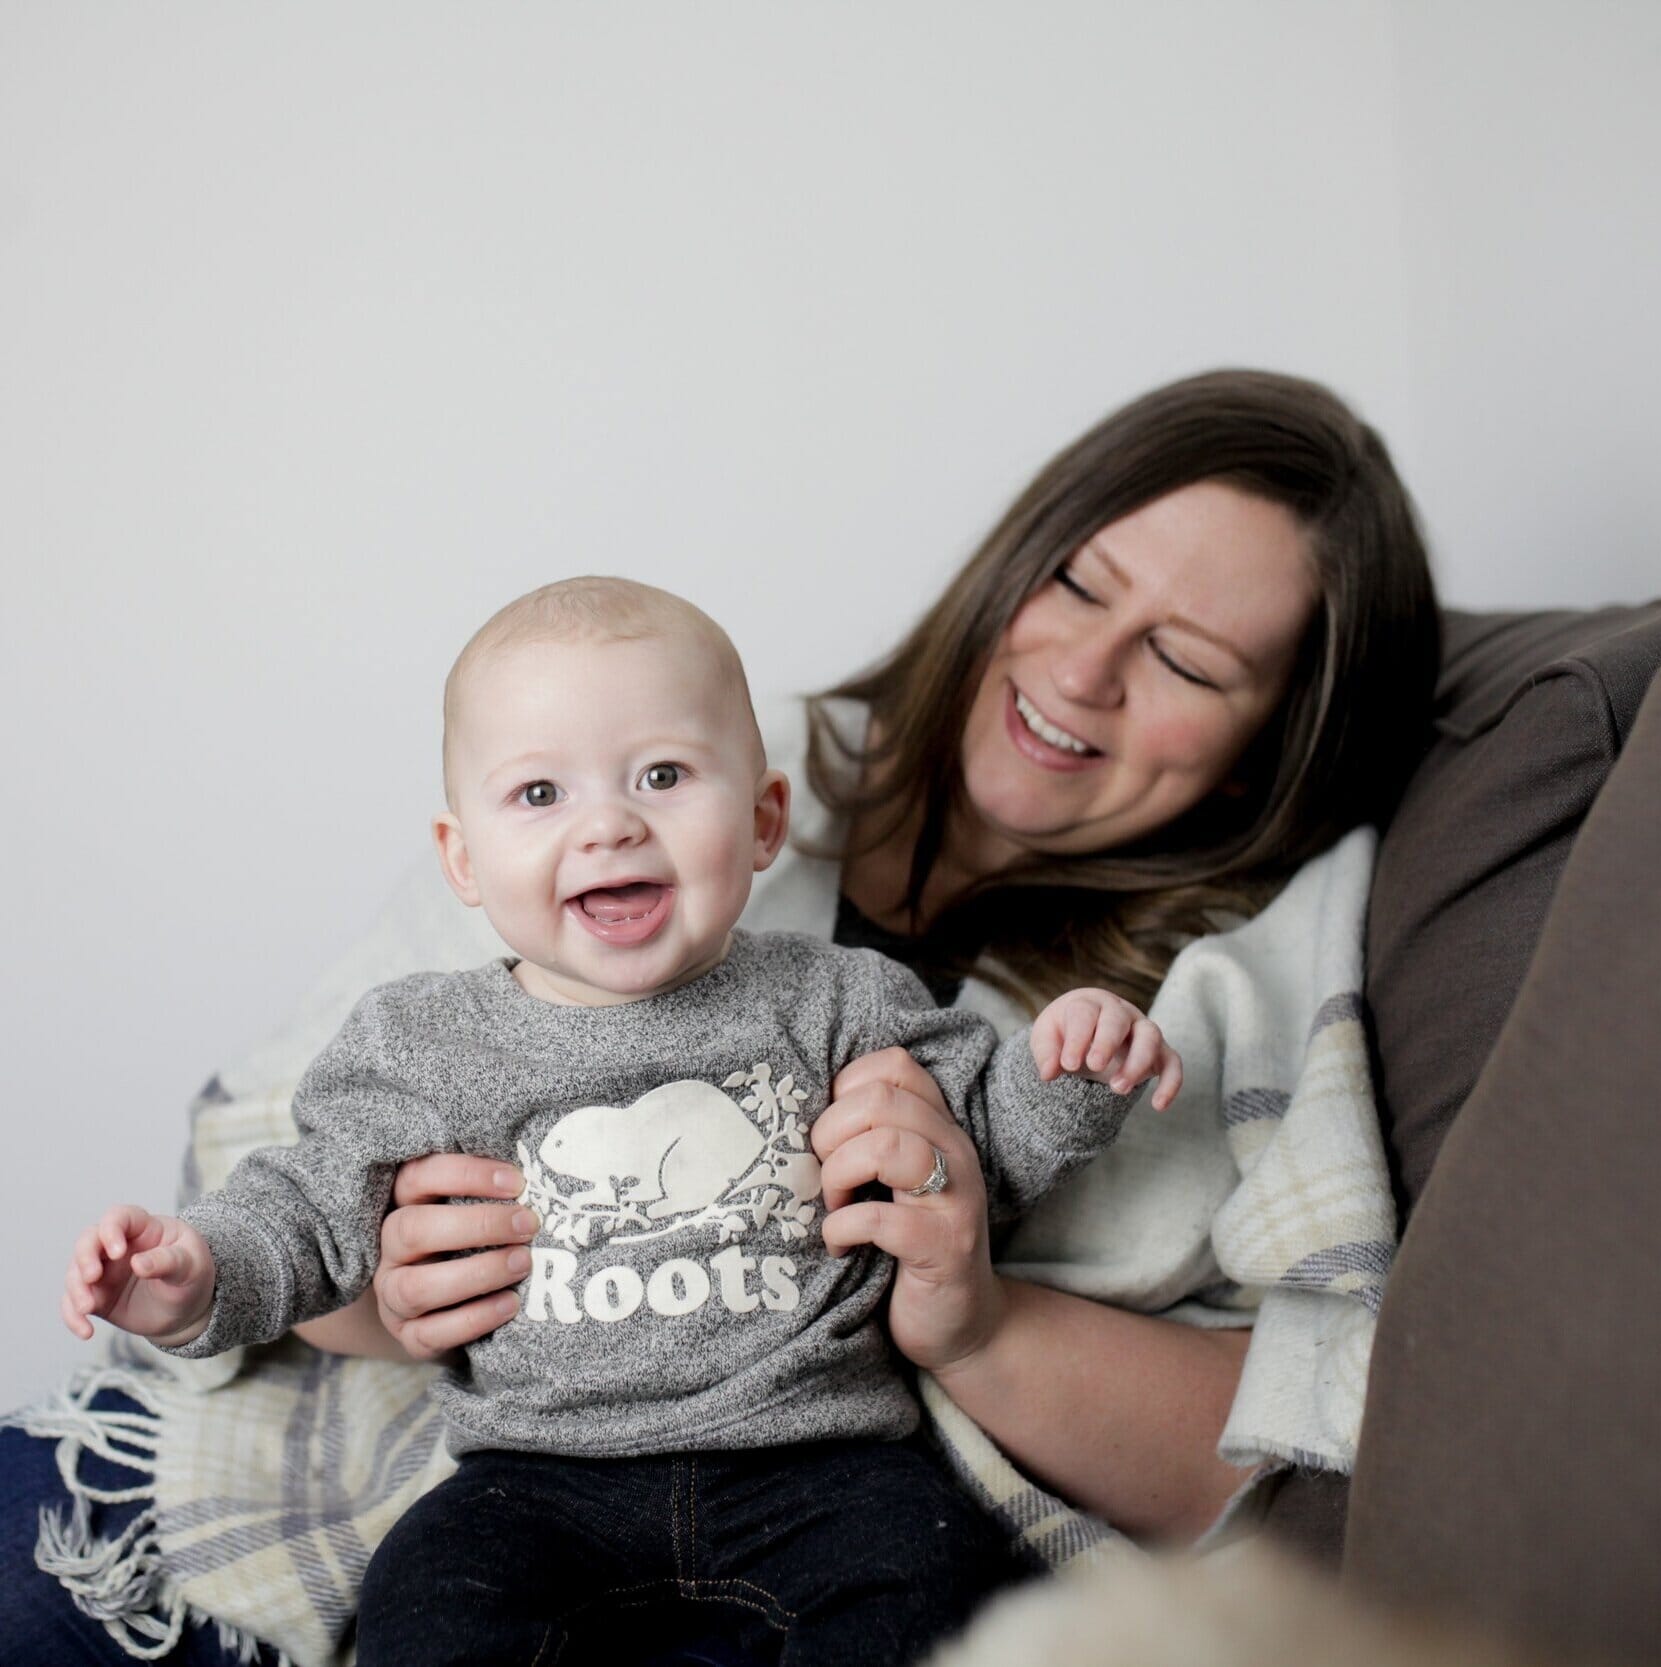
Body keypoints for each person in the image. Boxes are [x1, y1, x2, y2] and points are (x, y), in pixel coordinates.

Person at [3, 368, 1439, 1666]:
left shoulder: (893, 991)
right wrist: (369, 1296)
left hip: (820, 1465)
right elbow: (278, 1188)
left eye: (1187, 660)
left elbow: (1048, 1169)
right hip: (508, 1457)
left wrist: (1019, 1195)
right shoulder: (603, 760)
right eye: (1074, 580)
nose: (1078, 672)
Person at [61, 578, 1183, 1667]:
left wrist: (1071, 1072)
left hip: (818, 1453)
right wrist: (198, 1276)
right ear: (462, 857)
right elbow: (306, 1212)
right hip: (537, 1473)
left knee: (938, 1579)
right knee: (424, 1605)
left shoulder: (839, 999)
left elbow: (979, 1146)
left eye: (660, 774)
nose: (607, 825)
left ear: (760, 821)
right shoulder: (421, 1040)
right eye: (540, 794)